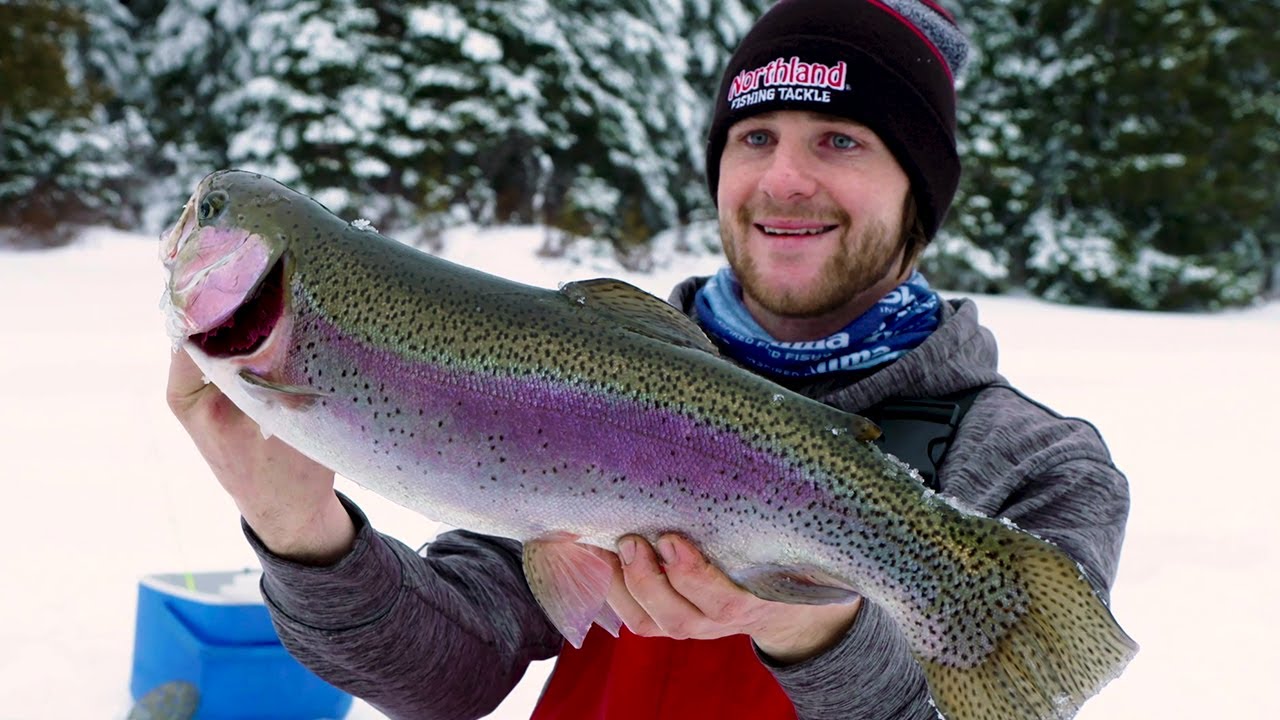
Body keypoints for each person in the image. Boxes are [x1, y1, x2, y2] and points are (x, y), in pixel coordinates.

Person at [166, 0, 1131, 718]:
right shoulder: (570, 381)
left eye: (840, 140)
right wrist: (302, 531)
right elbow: (448, 670)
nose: (783, 178)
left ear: (920, 191)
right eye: (755, 137)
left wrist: (798, 619)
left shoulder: (1034, 465)